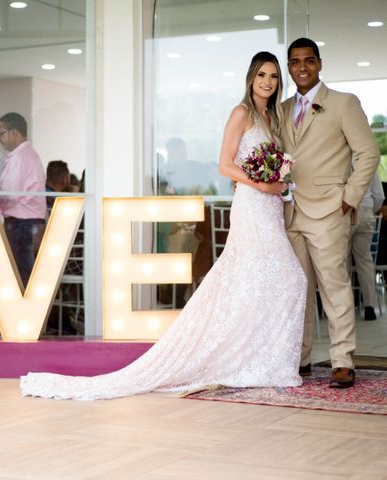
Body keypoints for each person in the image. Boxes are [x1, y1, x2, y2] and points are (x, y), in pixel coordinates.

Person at [20, 52, 307, 400]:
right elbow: (223, 165)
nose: (268, 81)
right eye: (262, 74)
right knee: (289, 277)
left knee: (271, 281)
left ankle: (262, 361)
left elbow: (273, 163)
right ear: (251, 78)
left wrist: (279, 180)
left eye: (274, 76)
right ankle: (253, 361)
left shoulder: (272, 117)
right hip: (252, 204)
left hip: (271, 207)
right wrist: (261, 184)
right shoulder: (242, 113)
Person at [281, 38, 380, 388]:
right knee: (299, 290)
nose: (302, 67)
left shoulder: (342, 103)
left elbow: (368, 154)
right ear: (289, 67)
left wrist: (349, 197)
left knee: (335, 287)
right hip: (290, 213)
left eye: (309, 60)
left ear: (319, 64)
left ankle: (342, 360)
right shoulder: (280, 109)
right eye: (295, 62)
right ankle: (302, 358)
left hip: (329, 209)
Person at [0, 112, 46, 287]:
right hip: (27, 222)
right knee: (26, 274)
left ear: (14, 133)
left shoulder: (21, 157)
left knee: (22, 275)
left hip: (21, 223)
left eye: (1, 133)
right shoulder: (27, 155)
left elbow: (10, 194)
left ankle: (27, 313)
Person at [350, 173, 384, 320]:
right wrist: (370, 208)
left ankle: (346, 308)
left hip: (346, 210)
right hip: (367, 211)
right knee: (365, 260)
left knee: (341, 260)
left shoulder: (340, 156)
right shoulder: (369, 160)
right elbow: (379, 196)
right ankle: (369, 306)